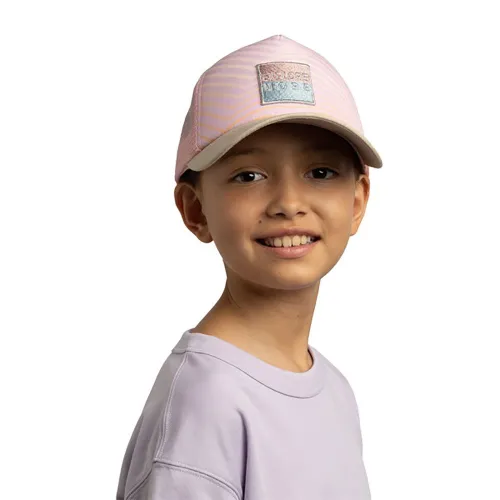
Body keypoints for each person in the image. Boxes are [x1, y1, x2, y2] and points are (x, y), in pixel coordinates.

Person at [116, 34, 383, 500]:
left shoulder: (335, 390)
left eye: (320, 172)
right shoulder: (207, 401)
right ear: (195, 210)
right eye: (249, 176)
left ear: (357, 202)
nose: (289, 203)